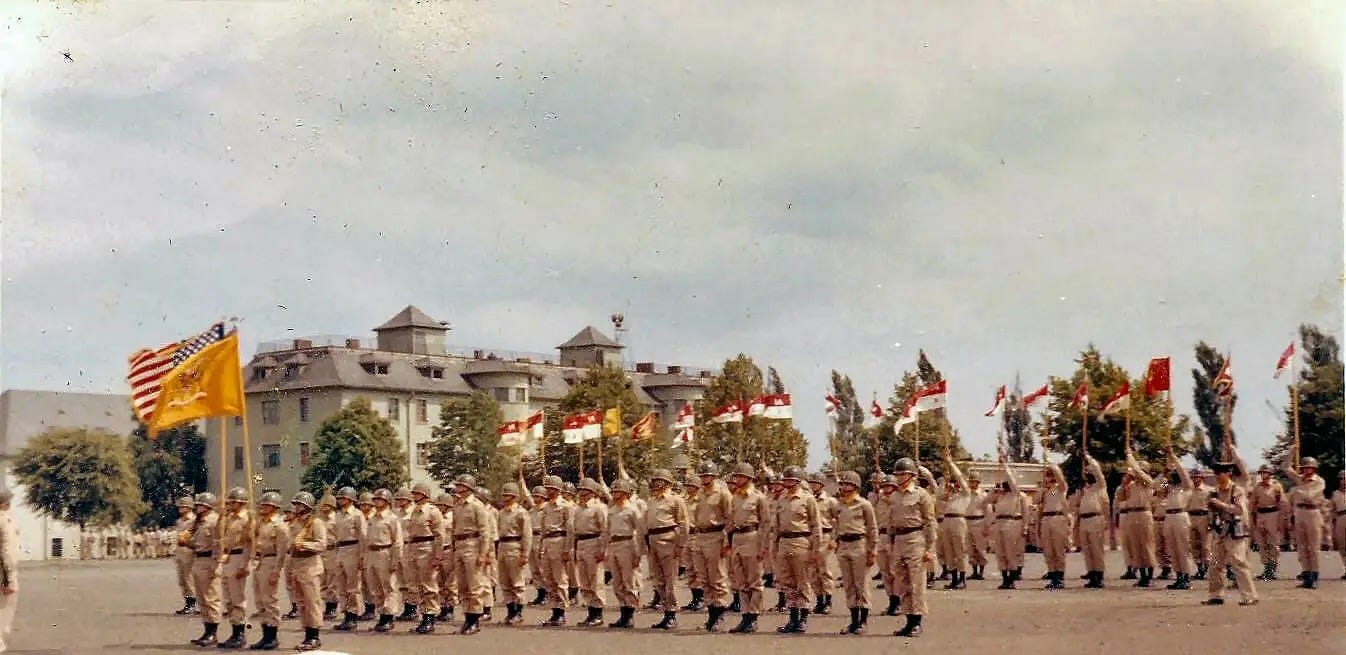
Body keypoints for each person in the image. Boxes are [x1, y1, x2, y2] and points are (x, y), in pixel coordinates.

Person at [888, 458, 936, 638]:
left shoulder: (921, 495)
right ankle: (908, 620)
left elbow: (930, 522)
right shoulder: (894, 496)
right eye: (897, 474)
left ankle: (917, 621)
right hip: (899, 540)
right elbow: (892, 522)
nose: (899, 478)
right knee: (902, 582)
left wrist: (930, 548)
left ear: (912, 476)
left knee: (916, 582)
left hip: (916, 539)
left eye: (903, 474)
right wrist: (891, 544)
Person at [1202, 462, 1257, 607]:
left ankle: (1249, 595)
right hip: (1219, 530)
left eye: (1221, 473)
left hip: (1233, 529)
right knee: (1215, 565)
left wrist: (1219, 504)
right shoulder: (1214, 492)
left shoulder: (1236, 490)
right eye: (1216, 473)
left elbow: (1239, 510)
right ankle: (1216, 595)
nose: (1218, 476)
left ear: (1228, 474)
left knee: (1239, 563)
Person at [773, 466, 821, 634]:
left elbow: (816, 526)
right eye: (785, 480)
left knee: (803, 582)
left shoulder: (808, 499)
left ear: (798, 481)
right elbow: (777, 526)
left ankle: (803, 619)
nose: (787, 482)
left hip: (802, 541)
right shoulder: (782, 499)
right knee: (788, 583)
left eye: (790, 480)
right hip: (784, 541)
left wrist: (816, 549)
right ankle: (792, 619)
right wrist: (774, 546)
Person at [831, 470, 877, 635]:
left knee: (861, 584)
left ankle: (863, 621)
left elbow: (872, 528)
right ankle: (853, 619)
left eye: (847, 484)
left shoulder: (864, 504)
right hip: (844, 545)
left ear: (855, 486)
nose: (843, 487)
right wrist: (835, 541)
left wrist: (872, 551)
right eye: (842, 484)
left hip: (859, 544)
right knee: (848, 584)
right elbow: (836, 525)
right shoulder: (839, 505)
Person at [724, 463, 766, 634]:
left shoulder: (758, 497)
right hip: (737, 538)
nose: (737, 479)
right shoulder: (735, 498)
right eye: (736, 476)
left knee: (754, 581)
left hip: (752, 537)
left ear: (749, 478)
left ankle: (753, 617)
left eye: (741, 476)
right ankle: (745, 615)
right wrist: (727, 541)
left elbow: (766, 523)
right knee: (740, 581)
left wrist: (763, 546)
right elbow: (731, 521)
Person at [689, 462, 732, 631]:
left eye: (707, 475)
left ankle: (719, 614)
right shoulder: (699, 493)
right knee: (703, 578)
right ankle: (711, 613)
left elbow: (730, 518)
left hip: (716, 535)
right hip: (700, 536)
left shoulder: (723, 494)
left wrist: (726, 542)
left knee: (717, 577)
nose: (704, 478)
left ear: (714, 476)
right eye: (702, 476)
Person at [645, 469, 689, 630]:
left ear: (668, 483)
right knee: (658, 580)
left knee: (670, 580)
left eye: (660, 480)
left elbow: (683, 523)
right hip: (653, 540)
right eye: (655, 480)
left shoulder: (676, 500)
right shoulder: (651, 501)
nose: (657, 483)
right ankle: (666, 611)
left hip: (668, 539)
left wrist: (681, 545)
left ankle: (672, 614)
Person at [450, 474, 493, 634]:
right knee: (462, 586)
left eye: (460, 485)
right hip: (460, 545)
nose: (458, 488)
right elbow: (454, 529)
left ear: (468, 488)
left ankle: (475, 620)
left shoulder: (477, 506)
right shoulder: (458, 506)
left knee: (474, 585)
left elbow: (485, 532)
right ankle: (467, 617)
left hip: (472, 545)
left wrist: (483, 553)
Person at [248, 491, 290, 650]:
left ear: (274, 507)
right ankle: (265, 635)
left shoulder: (279, 526)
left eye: (266, 505)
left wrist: (276, 571)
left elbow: (281, 552)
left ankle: (273, 636)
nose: (262, 507)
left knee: (269, 600)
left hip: (271, 561)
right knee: (260, 600)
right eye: (262, 504)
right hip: (260, 561)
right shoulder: (261, 523)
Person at [288, 491, 327, 651]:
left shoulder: (316, 523)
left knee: (312, 602)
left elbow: (322, 544)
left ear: (307, 506)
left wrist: (305, 545)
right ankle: (307, 633)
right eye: (295, 504)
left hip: (310, 564)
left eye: (299, 504)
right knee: (302, 603)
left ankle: (314, 636)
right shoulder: (295, 523)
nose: (296, 507)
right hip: (296, 564)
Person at [1282, 456, 1326, 589]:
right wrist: (1291, 452)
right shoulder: (1299, 479)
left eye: (1310, 467)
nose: (1307, 470)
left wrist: (1296, 490)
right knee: (1301, 547)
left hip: (1313, 513)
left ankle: (1315, 576)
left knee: (1313, 547)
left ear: (1314, 468)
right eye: (1305, 467)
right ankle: (1306, 576)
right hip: (1299, 512)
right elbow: (1285, 467)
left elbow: (1310, 496)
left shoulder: (1319, 481)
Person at [364, 488, 404, 633]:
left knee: (388, 586)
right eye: (375, 499)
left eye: (379, 499)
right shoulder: (372, 518)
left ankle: (389, 616)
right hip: (372, 553)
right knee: (375, 587)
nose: (376, 502)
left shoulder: (392, 519)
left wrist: (395, 560)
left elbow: (398, 541)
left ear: (387, 501)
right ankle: (381, 614)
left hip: (385, 552)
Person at [538, 475, 575, 626]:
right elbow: (542, 528)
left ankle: (561, 612)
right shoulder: (546, 507)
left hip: (559, 541)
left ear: (558, 490)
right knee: (549, 579)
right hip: (547, 542)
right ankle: (554, 611)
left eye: (551, 488)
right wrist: (541, 546)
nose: (548, 491)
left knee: (560, 579)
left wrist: (567, 549)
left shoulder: (566, 506)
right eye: (547, 488)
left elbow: (570, 529)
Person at [571, 479, 608, 627]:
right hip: (581, 543)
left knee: (595, 579)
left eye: (585, 491)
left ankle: (598, 613)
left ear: (592, 492)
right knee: (584, 580)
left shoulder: (599, 508)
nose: (582, 493)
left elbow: (605, 530)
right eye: (580, 491)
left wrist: (602, 549)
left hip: (594, 541)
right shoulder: (578, 509)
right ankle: (590, 612)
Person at [188, 493, 223, 647]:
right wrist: (187, 542)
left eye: (200, 505)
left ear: (208, 506)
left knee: (211, 598)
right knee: (201, 598)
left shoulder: (215, 521)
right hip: (198, 559)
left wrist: (215, 565)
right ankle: (207, 630)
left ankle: (213, 632)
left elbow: (219, 545)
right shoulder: (199, 522)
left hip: (210, 560)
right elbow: (196, 543)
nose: (197, 508)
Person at [329, 487, 367, 631]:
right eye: (339, 498)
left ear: (351, 499)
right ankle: (346, 613)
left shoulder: (357, 515)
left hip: (353, 548)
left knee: (352, 585)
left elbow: (363, 536)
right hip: (340, 550)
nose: (339, 501)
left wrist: (362, 556)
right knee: (341, 585)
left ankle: (353, 615)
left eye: (342, 498)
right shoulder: (337, 515)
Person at [495, 483, 533, 625]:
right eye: (503, 495)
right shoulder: (501, 512)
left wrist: (525, 554)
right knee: (505, 582)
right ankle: (510, 612)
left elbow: (527, 535)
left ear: (515, 496)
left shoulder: (521, 513)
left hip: (515, 546)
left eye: (508, 495)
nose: (505, 498)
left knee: (517, 582)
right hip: (503, 546)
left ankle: (519, 612)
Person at [1037, 461, 1071, 589]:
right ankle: (1052, 576)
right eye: (1048, 475)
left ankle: (1059, 577)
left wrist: (1051, 465)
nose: (1049, 478)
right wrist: (1043, 488)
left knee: (1058, 550)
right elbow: (1036, 500)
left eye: (1051, 475)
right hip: (1046, 519)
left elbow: (1060, 479)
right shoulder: (1046, 491)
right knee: (1048, 551)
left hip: (1058, 518)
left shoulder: (1060, 489)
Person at [1249, 465, 1285, 581]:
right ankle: (1266, 568)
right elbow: (1252, 503)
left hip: (1273, 514)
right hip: (1260, 515)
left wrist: (1281, 519)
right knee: (1262, 543)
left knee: (1273, 543)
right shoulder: (1257, 487)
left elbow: (1281, 502)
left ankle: (1273, 569)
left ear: (1270, 474)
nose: (1263, 475)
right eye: (1262, 473)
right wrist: (1252, 518)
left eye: (1266, 473)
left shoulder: (1276, 486)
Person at [171, 496, 199, 616]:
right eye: (180, 506)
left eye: (183, 506)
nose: (180, 508)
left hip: (189, 552)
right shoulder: (179, 521)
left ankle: (192, 604)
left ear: (189, 507)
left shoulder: (194, 520)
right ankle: (187, 603)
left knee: (189, 580)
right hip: (180, 552)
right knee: (182, 580)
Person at [1186, 469, 1214, 580]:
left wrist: (1211, 521)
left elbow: (1212, 508)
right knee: (1194, 545)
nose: (1194, 479)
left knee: (1206, 546)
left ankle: (1206, 568)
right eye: (1192, 477)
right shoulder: (1188, 490)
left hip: (1204, 517)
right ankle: (1199, 569)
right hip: (1191, 517)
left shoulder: (1209, 490)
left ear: (1202, 478)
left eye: (1196, 477)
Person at [0, 489, 17, 653]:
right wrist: (8, 579)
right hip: (2, 574)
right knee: (5, 610)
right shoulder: (5, 521)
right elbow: (7, 551)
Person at [1332, 471, 1346, 578]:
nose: (1343, 481)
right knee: (1342, 545)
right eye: (1341, 479)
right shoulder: (1335, 493)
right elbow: (1332, 509)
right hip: (1340, 518)